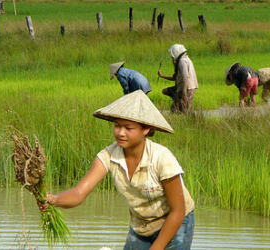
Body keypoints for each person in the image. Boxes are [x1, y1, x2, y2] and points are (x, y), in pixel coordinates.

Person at [37, 90, 195, 250]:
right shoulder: (108, 156)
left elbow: (178, 210)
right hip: (141, 224)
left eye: (128, 128)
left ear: (146, 129)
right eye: (117, 126)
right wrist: (54, 200)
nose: (120, 133)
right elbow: (79, 193)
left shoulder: (162, 158)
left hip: (175, 221)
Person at [158, 44, 198, 114]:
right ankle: (188, 121)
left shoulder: (182, 61)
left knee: (176, 109)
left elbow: (185, 77)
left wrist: (184, 92)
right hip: (190, 87)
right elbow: (177, 77)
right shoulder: (186, 59)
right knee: (185, 109)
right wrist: (162, 76)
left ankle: (174, 122)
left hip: (186, 88)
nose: (172, 56)